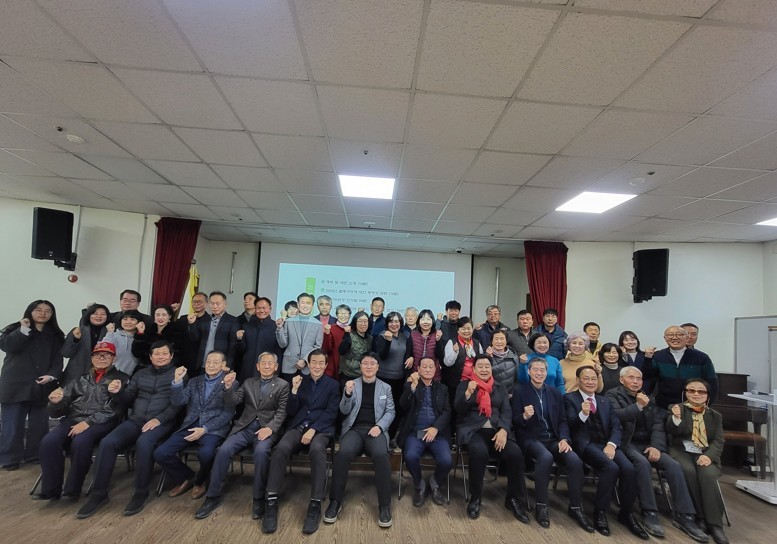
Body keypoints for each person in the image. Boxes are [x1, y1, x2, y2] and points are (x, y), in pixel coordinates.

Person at [76, 340, 180, 518]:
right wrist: (117, 392)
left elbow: (178, 405)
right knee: (107, 442)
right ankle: (99, 494)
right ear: (150, 357)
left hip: (162, 422)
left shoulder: (178, 374)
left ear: (171, 356)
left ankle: (141, 492)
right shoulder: (140, 374)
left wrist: (159, 419)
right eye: (157, 353)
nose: (160, 357)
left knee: (144, 443)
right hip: (135, 420)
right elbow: (129, 399)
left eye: (164, 353)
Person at [607, 367, 709, 542]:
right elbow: (617, 417)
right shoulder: (612, 395)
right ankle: (649, 511)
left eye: (639, 378)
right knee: (642, 463)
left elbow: (658, 425)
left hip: (648, 444)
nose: (635, 381)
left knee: (673, 465)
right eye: (631, 378)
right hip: (626, 443)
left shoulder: (649, 398)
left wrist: (656, 446)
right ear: (622, 380)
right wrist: (638, 406)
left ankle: (685, 515)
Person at [195, 352, 289, 522]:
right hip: (245, 427)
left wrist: (270, 428)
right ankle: (212, 496)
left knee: (261, 453)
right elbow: (233, 401)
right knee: (223, 450)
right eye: (263, 363)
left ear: (276, 367)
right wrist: (227, 387)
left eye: (270, 363)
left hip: (266, 429)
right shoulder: (248, 382)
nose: (267, 366)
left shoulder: (283, 385)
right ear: (257, 366)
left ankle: (258, 498)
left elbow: (282, 412)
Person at [36, 341, 129, 501]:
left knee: (81, 441)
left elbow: (116, 409)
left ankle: (72, 489)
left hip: (102, 422)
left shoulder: (122, 379)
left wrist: (88, 423)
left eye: (106, 355)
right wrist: (55, 402)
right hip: (72, 419)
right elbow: (57, 411)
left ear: (114, 358)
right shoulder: (79, 379)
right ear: (92, 358)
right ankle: (51, 489)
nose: (101, 358)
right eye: (97, 354)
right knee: (49, 441)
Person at [564, 366, 648, 539]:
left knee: (629, 469)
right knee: (610, 468)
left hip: (607, 444)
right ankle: (600, 512)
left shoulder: (604, 401)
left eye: (593, 379)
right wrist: (583, 414)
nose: (590, 382)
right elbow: (570, 425)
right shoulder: (569, 398)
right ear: (578, 380)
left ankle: (626, 513)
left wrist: (611, 444)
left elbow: (616, 426)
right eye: (586, 378)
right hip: (586, 445)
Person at [511, 357, 593, 532]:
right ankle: (541, 506)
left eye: (542, 370)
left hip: (554, 439)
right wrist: (524, 416)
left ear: (547, 372)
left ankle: (576, 507)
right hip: (531, 438)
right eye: (535, 369)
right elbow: (515, 421)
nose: (539, 373)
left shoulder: (555, 393)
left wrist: (564, 439)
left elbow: (563, 420)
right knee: (546, 457)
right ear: (529, 371)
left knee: (574, 460)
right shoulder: (520, 391)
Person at [263, 349, 339, 535]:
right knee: (281, 448)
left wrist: (314, 429)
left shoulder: (333, 385)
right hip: (298, 426)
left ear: (326, 365)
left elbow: (331, 413)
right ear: (308, 364)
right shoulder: (299, 381)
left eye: (321, 363)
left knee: (317, 450)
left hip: (321, 428)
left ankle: (315, 503)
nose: (317, 366)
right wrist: (294, 391)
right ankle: (271, 500)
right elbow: (290, 411)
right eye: (314, 362)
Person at [324, 352, 395, 528]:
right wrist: (347, 394)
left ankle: (384, 505)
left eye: (372, 363)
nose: (369, 366)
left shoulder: (385, 387)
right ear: (360, 366)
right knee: (343, 454)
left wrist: (380, 427)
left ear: (378, 367)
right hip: (354, 430)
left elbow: (390, 411)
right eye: (365, 363)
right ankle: (335, 502)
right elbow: (344, 410)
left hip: (376, 430)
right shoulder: (351, 384)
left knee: (381, 455)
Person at [454, 354, 528, 522]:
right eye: (480, 366)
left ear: (491, 368)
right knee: (479, 453)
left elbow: (506, 411)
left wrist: (504, 430)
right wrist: (468, 393)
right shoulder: (465, 385)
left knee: (515, 453)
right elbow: (458, 409)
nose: (484, 369)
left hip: (496, 431)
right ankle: (475, 497)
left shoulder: (499, 387)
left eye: (487, 366)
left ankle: (514, 499)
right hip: (473, 430)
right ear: (473, 369)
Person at [153, 351, 235, 501]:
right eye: (208, 362)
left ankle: (201, 480)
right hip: (190, 424)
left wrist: (205, 429)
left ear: (223, 365)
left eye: (215, 362)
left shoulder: (231, 382)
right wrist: (177, 381)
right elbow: (178, 401)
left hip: (213, 428)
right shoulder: (194, 381)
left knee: (206, 453)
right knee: (161, 452)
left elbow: (229, 413)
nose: (211, 365)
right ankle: (187, 477)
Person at [0, 300, 64, 470]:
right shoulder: (16, 329)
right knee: (12, 424)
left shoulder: (55, 335)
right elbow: (8, 346)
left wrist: (51, 376)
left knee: (39, 424)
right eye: (38, 310)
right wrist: (23, 329)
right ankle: (9, 458)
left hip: (42, 384)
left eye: (48, 311)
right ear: (30, 311)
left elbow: (58, 359)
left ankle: (34, 454)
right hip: (15, 384)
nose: (43, 313)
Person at [667, 379, 728, 544]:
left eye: (701, 391)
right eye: (691, 390)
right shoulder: (677, 408)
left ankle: (715, 525)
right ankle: (700, 516)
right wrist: (676, 418)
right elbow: (673, 431)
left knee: (708, 475)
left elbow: (718, 440)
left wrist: (709, 456)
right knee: (688, 471)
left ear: (707, 395)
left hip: (705, 454)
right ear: (685, 393)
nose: (696, 394)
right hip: (681, 451)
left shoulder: (715, 416)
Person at [398, 357, 452, 507]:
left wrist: (436, 428)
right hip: (415, 432)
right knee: (410, 456)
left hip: (437, 433)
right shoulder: (411, 385)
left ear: (435, 370)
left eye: (431, 367)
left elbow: (447, 411)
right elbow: (403, 405)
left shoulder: (442, 389)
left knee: (447, 461)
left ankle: (435, 482)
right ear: (418, 369)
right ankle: (419, 484)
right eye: (424, 367)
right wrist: (412, 387)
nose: (428, 369)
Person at [643, 326, 718, 409]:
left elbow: (712, 383)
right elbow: (648, 377)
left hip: (692, 405)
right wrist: (647, 358)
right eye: (670, 335)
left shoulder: (701, 357)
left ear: (687, 338)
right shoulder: (658, 356)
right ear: (665, 338)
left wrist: (706, 405)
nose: (674, 338)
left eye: (679, 334)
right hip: (663, 406)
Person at [374, 311, 410, 440]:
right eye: (391, 322)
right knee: (382, 409)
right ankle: (379, 436)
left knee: (397, 409)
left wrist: (411, 357)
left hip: (399, 379)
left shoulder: (404, 337)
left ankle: (391, 436)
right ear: (387, 323)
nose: (394, 324)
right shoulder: (382, 335)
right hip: (383, 378)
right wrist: (388, 341)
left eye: (396, 321)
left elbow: (407, 353)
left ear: (401, 323)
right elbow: (382, 355)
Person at [275, 292, 323, 382]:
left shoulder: (318, 324)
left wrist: (305, 360)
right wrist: (279, 329)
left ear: (312, 305)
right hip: (289, 365)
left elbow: (317, 346)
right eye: (303, 302)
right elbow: (283, 344)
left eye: (308, 303)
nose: (305, 305)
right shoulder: (289, 321)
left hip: (307, 367)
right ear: (298, 304)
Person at [187, 291, 238, 372]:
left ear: (225, 304)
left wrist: (228, 364)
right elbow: (195, 339)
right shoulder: (205, 319)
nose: (214, 306)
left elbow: (233, 346)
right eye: (212, 303)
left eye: (218, 303)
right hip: (202, 364)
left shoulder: (233, 321)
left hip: (221, 366)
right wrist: (192, 324)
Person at [61, 304, 109, 386]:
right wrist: (76, 339)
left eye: (103, 314)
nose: (99, 316)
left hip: (98, 377)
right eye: (95, 314)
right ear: (88, 315)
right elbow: (66, 353)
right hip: (75, 376)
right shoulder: (78, 330)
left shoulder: (109, 332)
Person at [442, 317, 484, 408]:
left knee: (470, 406)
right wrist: (454, 352)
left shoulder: (477, 343)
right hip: (455, 383)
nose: (466, 331)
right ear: (458, 330)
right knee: (455, 407)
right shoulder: (452, 342)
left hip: (473, 382)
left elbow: (481, 362)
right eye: (463, 328)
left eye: (469, 328)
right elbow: (447, 363)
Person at [235, 296, 279, 382]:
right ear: (255, 309)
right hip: (248, 368)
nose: (261, 311)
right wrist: (239, 339)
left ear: (270, 309)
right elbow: (241, 350)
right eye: (258, 308)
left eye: (264, 308)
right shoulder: (246, 326)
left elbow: (278, 352)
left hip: (268, 369)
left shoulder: (275, 327)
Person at [406, 309, 444, 380]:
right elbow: (408, 353)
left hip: (433, 375)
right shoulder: (413, 335)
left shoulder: (437, 334)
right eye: (422, 319)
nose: (425, 322)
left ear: (432, 321)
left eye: (428, 319)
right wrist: (410, 357)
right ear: (419, 321)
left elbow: (440, 356)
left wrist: (438, 340)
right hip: (416, 374)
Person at [176, 292, 209, 373]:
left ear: (206, 303)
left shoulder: (210, 320)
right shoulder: (184, 318)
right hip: (182, 357)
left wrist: (192, 324)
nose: (196, 304)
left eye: (200, 302)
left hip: (199, 360)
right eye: (194, 301)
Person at [102, 310, 142, 376]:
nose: (128, 322)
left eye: (132, 319)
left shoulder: (141, 338)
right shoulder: (113, 335)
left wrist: (141, 334)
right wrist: (109, 333)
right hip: (112, 375)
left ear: (139, 322)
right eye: (125, 319)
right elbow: (103, 350)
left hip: (134, 376)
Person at [338, 311, 372, 385]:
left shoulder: (370, 338)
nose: (363, 324)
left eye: (365, 321)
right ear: (355, 323)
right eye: (360, 321)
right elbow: (341, 351)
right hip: (348, 375)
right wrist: (347, 336)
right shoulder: (349, 335)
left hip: (364, 375)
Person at [322, 303, 351, 379]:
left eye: (345, 313)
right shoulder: (331, 328)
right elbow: (326, 349)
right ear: (336, 315)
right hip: (332, 367)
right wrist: (327, 334)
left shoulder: (352, 330)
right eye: (340, 313)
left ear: (349, 315)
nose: (343, 316)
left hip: (348, 369)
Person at [486, 330, 518, 396]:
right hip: (495, 395)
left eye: (502, 339)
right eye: (496, 339)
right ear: (492, 341)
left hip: (512, 394)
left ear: (506, 341)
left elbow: (517, 378)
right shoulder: (486, 357)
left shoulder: (513, 355)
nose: (499, 341)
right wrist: (489, 357)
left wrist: (513, 393)